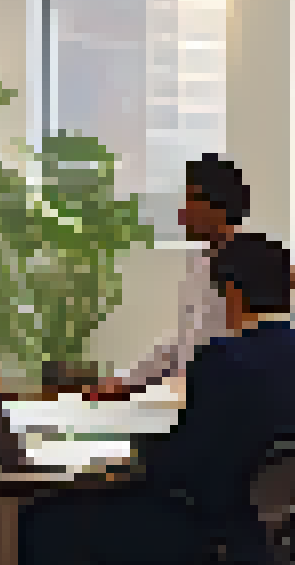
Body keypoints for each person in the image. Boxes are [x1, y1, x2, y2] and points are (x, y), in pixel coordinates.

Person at [10, 234, 295, 565]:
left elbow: (184, 466)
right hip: (268, 540)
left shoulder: (224, 360)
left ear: (232, 293)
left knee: (44, 522)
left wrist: (120, 459)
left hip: (205, 538)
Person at [83, 154, 253, 405]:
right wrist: (126, 382)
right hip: (191, 396)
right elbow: (184, 342)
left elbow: (237, 351)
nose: (182, 211)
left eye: (191, 199)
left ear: (216, 205)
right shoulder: (200, 260)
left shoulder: (250, 266)